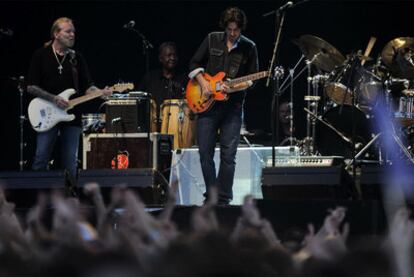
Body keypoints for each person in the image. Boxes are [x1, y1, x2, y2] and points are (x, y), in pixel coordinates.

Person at [188, 7, 259, 205]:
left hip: (233, 108)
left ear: (241, 28)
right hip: (208, 105)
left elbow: (253, 80)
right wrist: (204, 85)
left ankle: (224, 198)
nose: (233, 33)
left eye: (237, 30)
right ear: (225, 27)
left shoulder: (249, 47)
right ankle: (211, 196)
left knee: (229, 155)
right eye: (230, 29)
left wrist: (234, 88)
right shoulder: (212, 39)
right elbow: (193, 63)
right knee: (204, 153)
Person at [27, 17, 112, 180]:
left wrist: (101, 92)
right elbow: (31, 86)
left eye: (73, 32)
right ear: (56, 34)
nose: (72, 35)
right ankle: (37, 200)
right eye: (68, 31)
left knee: (70, 162)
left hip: (71, 116)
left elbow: (88, 87)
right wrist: (53, 99)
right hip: (47, 113)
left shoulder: (76, 58)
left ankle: (70, 199)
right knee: (41, 157)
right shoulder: (41, 55)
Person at [137, 41, 187, 131]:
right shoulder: (150, 78)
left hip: (177, 127)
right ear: (161, 58)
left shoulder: (184, 78)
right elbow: (139, 101)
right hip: (152, 128)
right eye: (169, 55)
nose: (172, 58)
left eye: (174, 55)